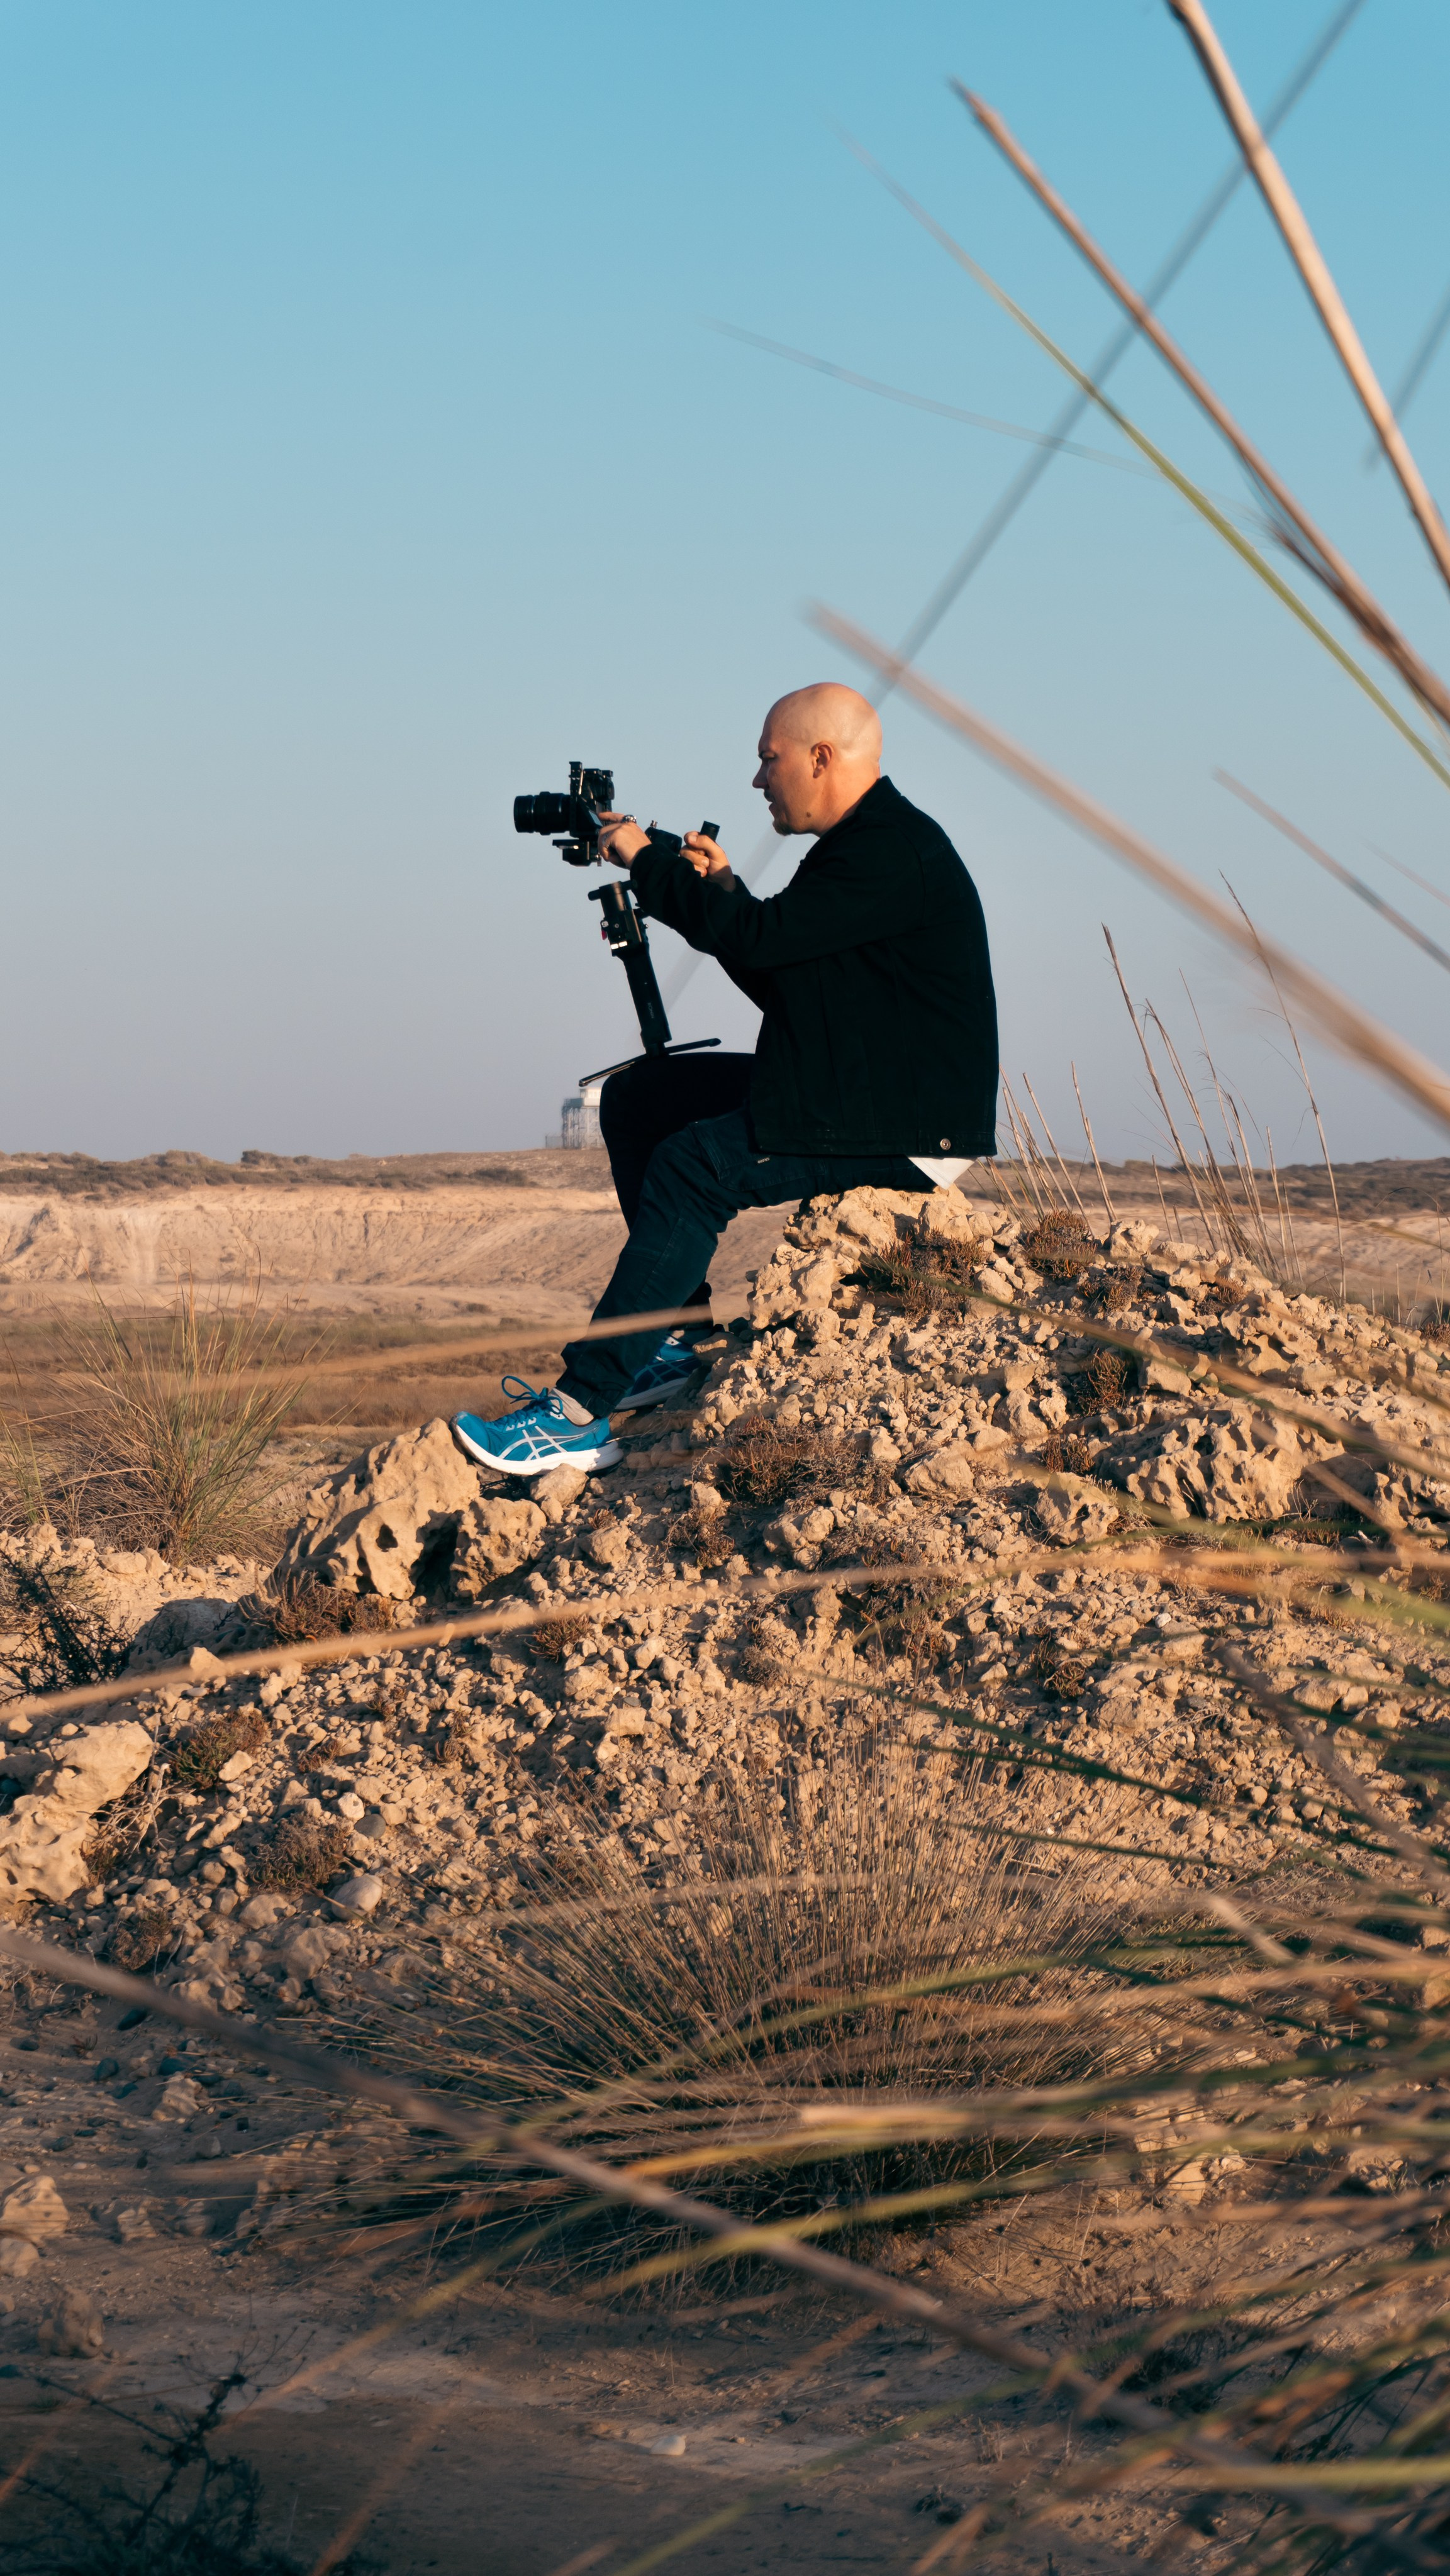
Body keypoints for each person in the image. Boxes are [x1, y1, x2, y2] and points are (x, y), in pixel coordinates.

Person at [454, 682, 998, 1476]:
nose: (757, 780)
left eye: (768, 760)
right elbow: (781, 975)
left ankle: (575, 1414)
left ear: (821, 757)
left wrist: (647, 863)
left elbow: (757, 940)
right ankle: (673, 1343)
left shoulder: (887, 851)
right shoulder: (860, 846)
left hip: (905, 1121)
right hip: (856, 1088)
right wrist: (719, 891)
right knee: (641, 1100)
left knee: (694, 1167)